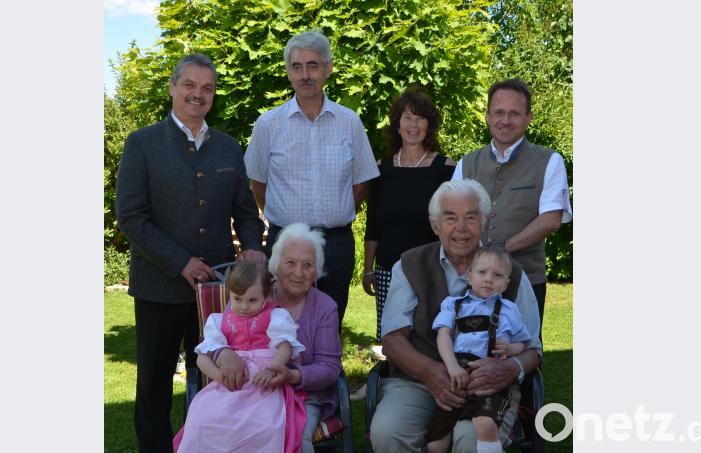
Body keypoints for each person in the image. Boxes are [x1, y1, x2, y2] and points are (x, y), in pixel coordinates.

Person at [115, 53, 266, 453]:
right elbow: (131, 216)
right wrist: (180, 262)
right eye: (190, 86)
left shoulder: (230, 148)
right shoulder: (142, 143)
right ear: (173, 87)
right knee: (154, 384)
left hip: (217, 292)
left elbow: (246, 212)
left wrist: (252, 245)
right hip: (159, 287)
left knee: (216, 377)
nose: (198, 95)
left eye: (207, 88)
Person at [369, 179, 542, 453]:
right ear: (435, 224)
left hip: (487, 386)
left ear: (483, 222)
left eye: (471, 218)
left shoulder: (511, 273)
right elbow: (392, 339)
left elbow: (533, 348)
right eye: (450, 218)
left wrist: (510, 369)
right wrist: (430, 371)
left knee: (471, 439)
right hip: (416, 381)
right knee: (388, 432)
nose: (461, 228)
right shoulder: (410, 264)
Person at [244, 30, 379, 325]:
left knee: (329, 323)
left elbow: (361, 183)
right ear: (288, 72)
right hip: (284, 243)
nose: (305, 74)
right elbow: (258, 184)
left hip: (336, 245)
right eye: (297, 66)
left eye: (313, 65)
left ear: (328, 69)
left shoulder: (350, 122)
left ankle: (326, 372)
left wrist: (338, 214)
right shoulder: (268, 125)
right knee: (279, 325)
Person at [451, 78, 572, 326]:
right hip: (472, 279)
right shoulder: (466, 162)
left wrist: (499, 250)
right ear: (487, 115)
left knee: (523, 352)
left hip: (524, 279)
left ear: (529, 117)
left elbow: (551, 219)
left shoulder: (549, 160)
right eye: (499, 112)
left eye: (514, 114)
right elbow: (451, 215)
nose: (505, 121)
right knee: (469, 346)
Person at [214, 223, 343, 453]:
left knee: (291, 438)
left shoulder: (324, 307)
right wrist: (225, 354)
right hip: (246, 388)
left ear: (317, 270)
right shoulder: (252, 294)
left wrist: (293, 375)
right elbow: (219, 336)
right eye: (290, 262)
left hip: (302, 395)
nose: (298, 273)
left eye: (307, 265)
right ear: (275, 265)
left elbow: (329, 367)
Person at [177, 261, 306, 453]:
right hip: (228, 384)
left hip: (262, 383)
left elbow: (285, 347)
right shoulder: (219, 321)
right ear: (230, 293)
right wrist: (220, 377)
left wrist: (272, 368)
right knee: (202, 418)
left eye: (252, 300)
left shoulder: (276, 316)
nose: (244, 306)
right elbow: (201, 359)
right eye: (237, 299)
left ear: (266, 296)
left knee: (266, 425)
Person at [363, 85, 455, 343]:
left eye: (420, 118)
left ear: (429, 125)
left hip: (432, 267)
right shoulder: (381, 170)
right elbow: (374, 225)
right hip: (388, 269)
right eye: (407, 118)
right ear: (397, 124)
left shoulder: (446, 169)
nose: (413, 125)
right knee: (392, 338)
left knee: (433, 334)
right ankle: (392, 382)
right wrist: (368, 269)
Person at [426, 247, 532, 453]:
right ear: (470, 276)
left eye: (497, 275)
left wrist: (510, 348)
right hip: (456, 378)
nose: (488, 279)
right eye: (482, 273)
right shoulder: (453, 305)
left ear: (506, 283)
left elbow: (523, 344)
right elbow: (443, 335)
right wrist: (452, 366)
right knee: (435, 442)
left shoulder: (509, 310)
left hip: (490, 381)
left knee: (485, 424)